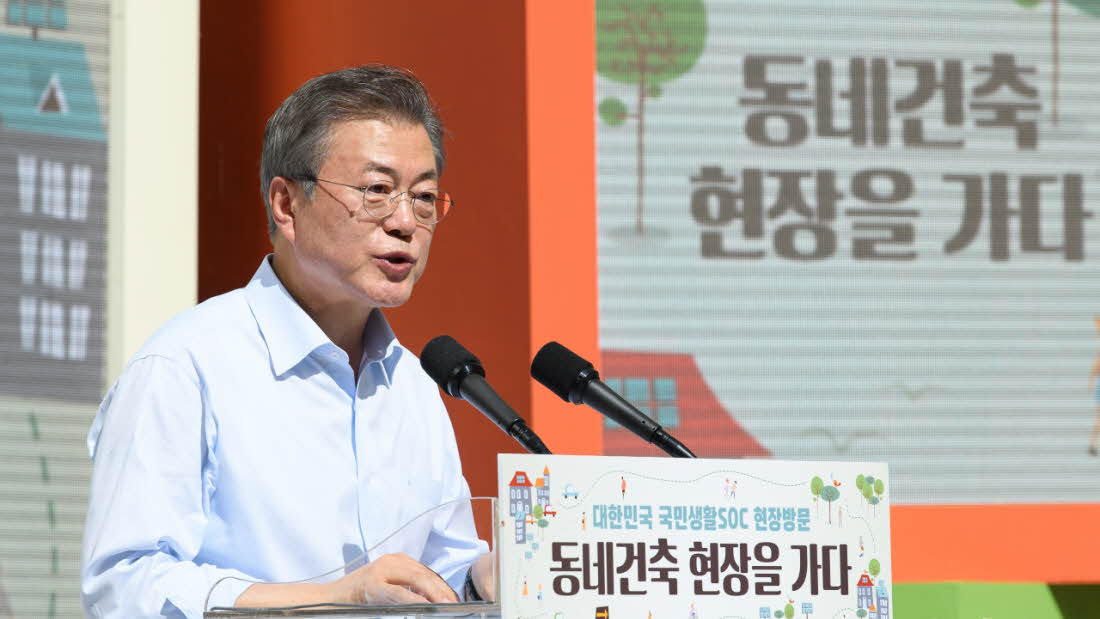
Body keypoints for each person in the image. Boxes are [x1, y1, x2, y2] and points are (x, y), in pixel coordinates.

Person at [80, 65, 493, 618]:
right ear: (286, 203)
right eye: (376, 190)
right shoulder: (186, 365)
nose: (404, 222)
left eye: (423, 198)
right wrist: (334, 597)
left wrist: (483, 579)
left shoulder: (414, 385)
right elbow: (123, 588)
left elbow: (437, 574)